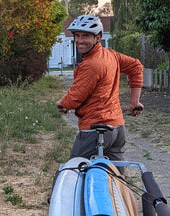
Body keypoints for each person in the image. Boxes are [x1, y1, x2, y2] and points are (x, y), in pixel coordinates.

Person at [56, 14, 144, 161]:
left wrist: (62, 104)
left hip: (95, 131)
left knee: (74, 170)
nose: (80, 40)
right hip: (117, 129)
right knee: (116, 178)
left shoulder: (90, 65)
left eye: (85, 36)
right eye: (77, 36)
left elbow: (76, 97)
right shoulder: (111, 55)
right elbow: (136, 66)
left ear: (98, 37)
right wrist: (135, 101)